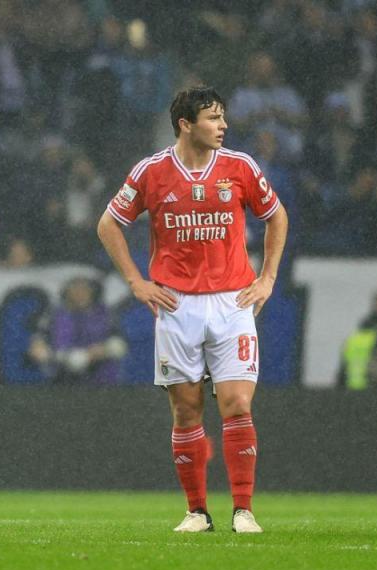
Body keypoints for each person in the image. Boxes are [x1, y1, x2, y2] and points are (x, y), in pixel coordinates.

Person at [97, 86, 288, 533]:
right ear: (186, 124)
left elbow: (276, 215)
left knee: (237, 404)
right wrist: (136, 282)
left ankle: (243, 509)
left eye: (223, 118)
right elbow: (108, 224)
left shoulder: (240, 167)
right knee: (186, 410)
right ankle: (197, 511)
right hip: (176, 304)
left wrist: (268, 278)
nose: (223, 126)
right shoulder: (152, 172)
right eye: (213, 118)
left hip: (233, 301)